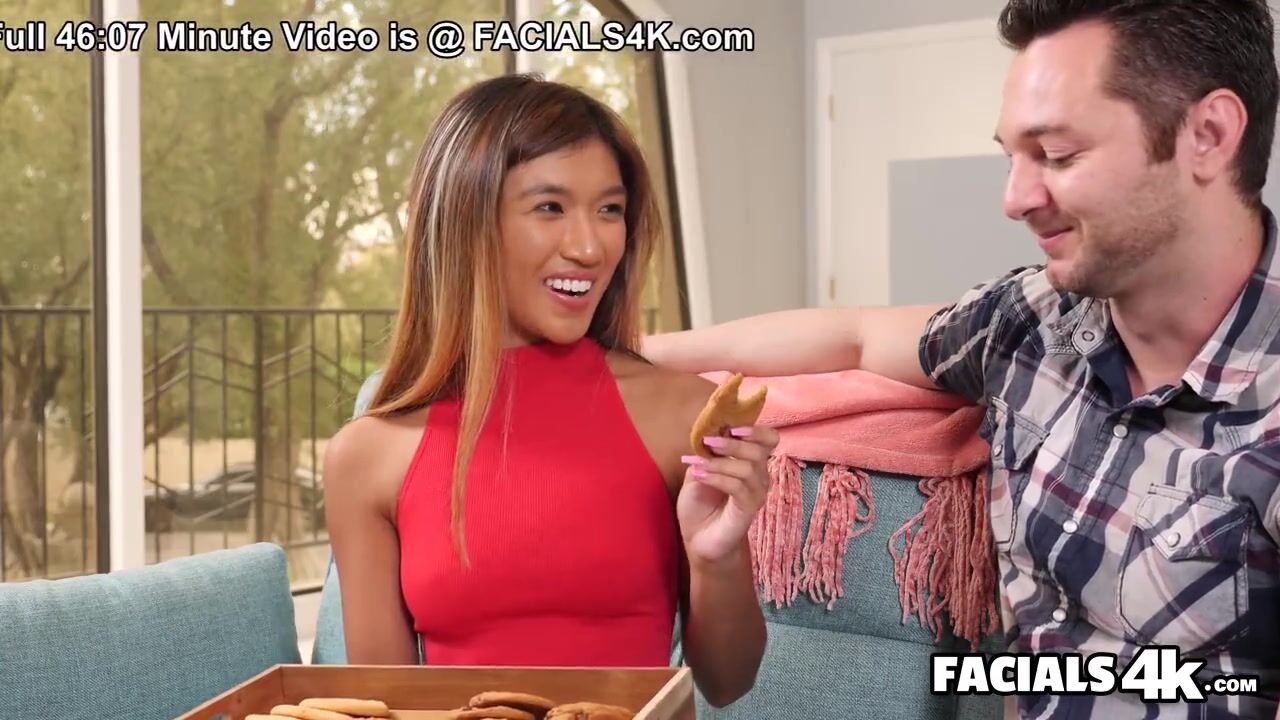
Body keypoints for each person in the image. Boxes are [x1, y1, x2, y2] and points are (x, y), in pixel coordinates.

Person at [644, 1, 1280, 718]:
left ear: (1208, 134)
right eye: (1011, 157)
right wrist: (628, 352)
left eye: (1058, 155)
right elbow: (852, 335)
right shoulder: (1030, 322)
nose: (1015, 199)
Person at [321, 74, 776, 708]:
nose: (590, 247)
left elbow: (730, 681)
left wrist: (716, 557)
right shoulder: (365, 457)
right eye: (550, 208)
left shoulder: (681, 414)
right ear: (465, 224)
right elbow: (386, 705)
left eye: (610, 210)